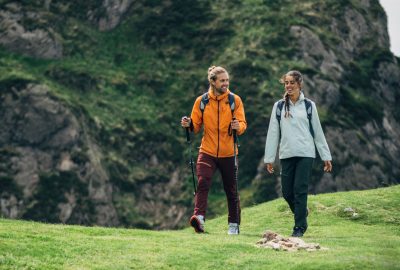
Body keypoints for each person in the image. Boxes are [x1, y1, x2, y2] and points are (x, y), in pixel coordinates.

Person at [264, 70, 332, 237]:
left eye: (292, 83)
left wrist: (326, 156)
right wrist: (269, 158)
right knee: (287, 192)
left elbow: (318, 132)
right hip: (286, 154)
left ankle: (299, 227)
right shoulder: (279, 106)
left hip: (305, 154)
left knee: (300, 189)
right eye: (286, 83)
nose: (288, 86)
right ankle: (302, 212)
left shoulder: (309, 106)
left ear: (299, 84)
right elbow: (273, 133)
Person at [181, 66, 247, 235]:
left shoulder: (235, 100)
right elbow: (195, 126)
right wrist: (189, 124)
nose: (226, 83)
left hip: (229, 153)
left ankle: (233, 225)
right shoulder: (201, 101)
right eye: (222, 80)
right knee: (203, 182)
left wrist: (238, 126)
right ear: (212, 82)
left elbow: (243, 124)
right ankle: (200, 218)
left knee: (231, 190)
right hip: (207, 151)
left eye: (227, 80)